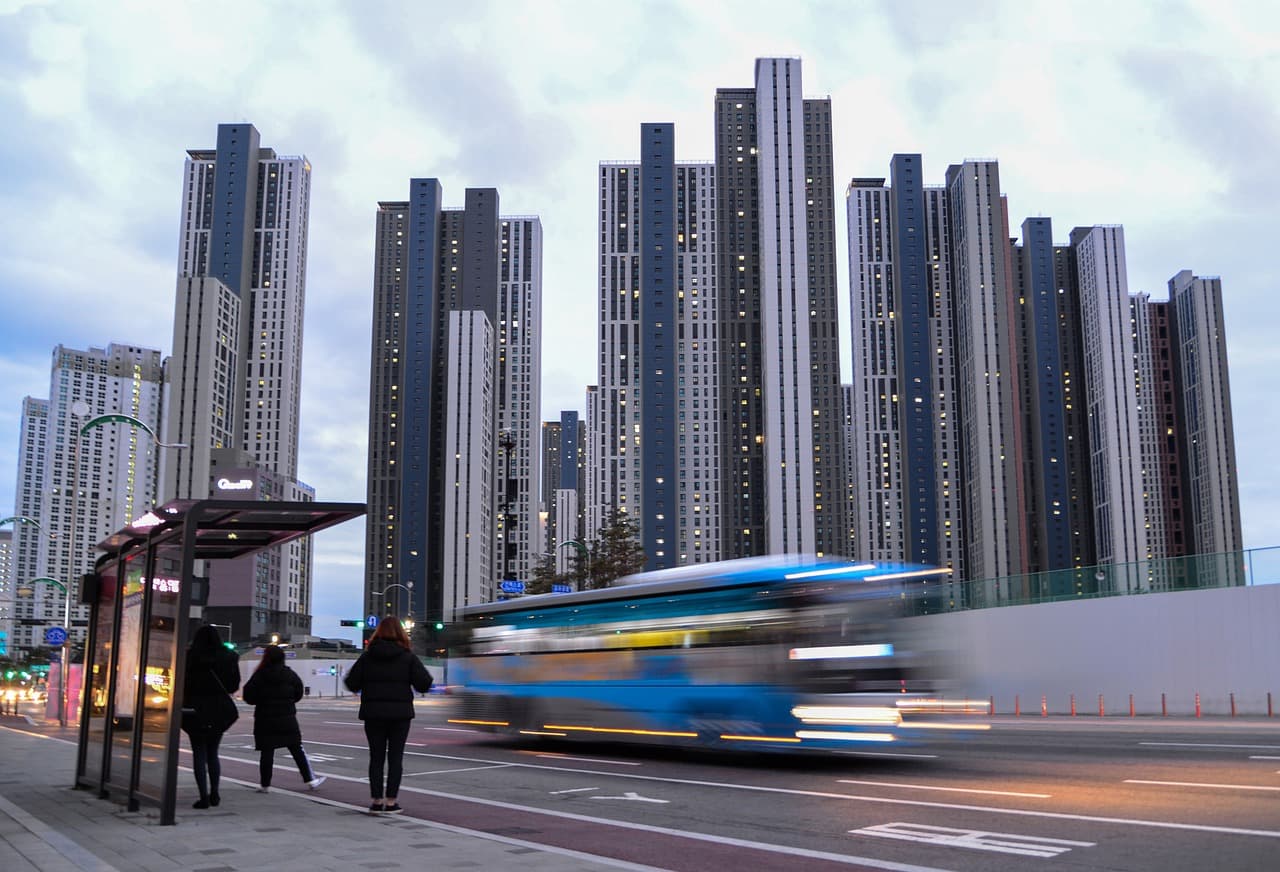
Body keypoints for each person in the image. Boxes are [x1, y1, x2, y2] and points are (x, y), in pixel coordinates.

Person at [343, 616, 432, 813]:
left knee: (376, 757)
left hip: (373, 713)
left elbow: (351, 683)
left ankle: (376, 800)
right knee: (395, 758)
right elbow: (424, 683)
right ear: (400, 633)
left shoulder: (367, 657)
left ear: (378, 633)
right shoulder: (408, 657)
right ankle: (391, 801)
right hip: (400, 715)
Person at [242, 644, 326, 793]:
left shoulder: (260, 675)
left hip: (265, 718)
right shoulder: (289, 674)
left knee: (267, 751)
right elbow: (298, 692)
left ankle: (265, 785)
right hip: (287, 718)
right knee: (296, 749)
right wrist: (288, 701)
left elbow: (248, 695)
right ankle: (311, 780)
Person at [180, 624, 241, 809]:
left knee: (198, 752)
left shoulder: (189, 656)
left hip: (194, 709)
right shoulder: (229, 657)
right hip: (219, 709)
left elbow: (181, 683)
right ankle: (215, 793)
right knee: (213, 752)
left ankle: (203, 796)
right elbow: (233, 686)